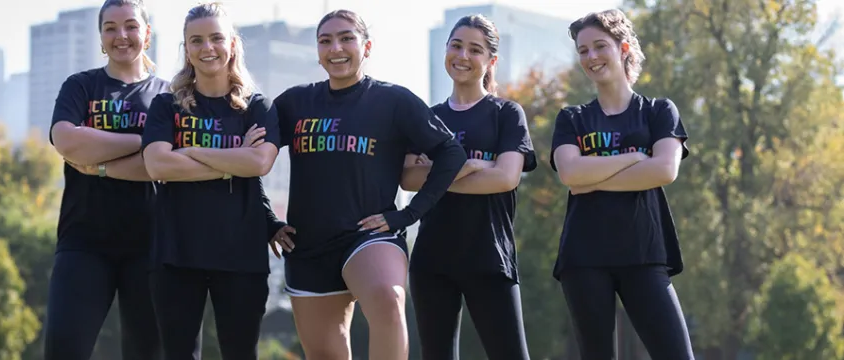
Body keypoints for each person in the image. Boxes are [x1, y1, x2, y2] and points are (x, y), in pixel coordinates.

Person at [260, 9, 467, 360]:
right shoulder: (293, 102)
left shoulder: (394, 101)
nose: (335, 48)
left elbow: (451, 152)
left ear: (366, 47)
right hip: (308, 247)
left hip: (370, 235)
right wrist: (269, 220)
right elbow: (251, 161)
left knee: (388, 297)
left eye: (346, 38)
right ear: (318, 51)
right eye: (325, 41)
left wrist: (410, 214)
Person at [140, 3, 284, 360]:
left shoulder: (257, 106)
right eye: (196, 40)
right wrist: (232, 162)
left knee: (240, 353)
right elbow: (158, 165)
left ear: (232, 43)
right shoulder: (166, 106)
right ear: (186, 49)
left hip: (241, 254)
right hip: (176, 253)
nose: (208, 48)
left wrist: (187, 151)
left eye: (216, 38)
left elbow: (260, 162)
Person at [549, 9, 695, 360]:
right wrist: (634, 159)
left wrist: (592, 177)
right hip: (584, 258)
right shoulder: (572, 119)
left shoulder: (659, 111)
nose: (591, 57)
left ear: (624, 47)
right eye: (583, 51)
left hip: (645, 254)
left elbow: (663, 171)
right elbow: (570, 175)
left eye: (600, 46)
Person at [400, 14, 536, 360]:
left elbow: (505, 178)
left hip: (489, 256)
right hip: (432, 260)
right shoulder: (427, 117)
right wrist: (471, 166)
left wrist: (438, 174)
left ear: (491, 60)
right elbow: (407, 178)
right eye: (456, 45)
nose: (463, 55)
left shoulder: (506, 113)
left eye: (475, 49)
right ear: (445, 49)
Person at [45, 0, 165, 359]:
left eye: (130, 26)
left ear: (147, 33)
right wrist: (145, 143)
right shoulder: (81, 86)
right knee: (64, 350)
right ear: (100, 37)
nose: (121, 35)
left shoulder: (169, 95)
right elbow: (66, 140)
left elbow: (166, 165)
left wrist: (99, 161)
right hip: (83, 242)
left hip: (152, 245)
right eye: (110, 28)